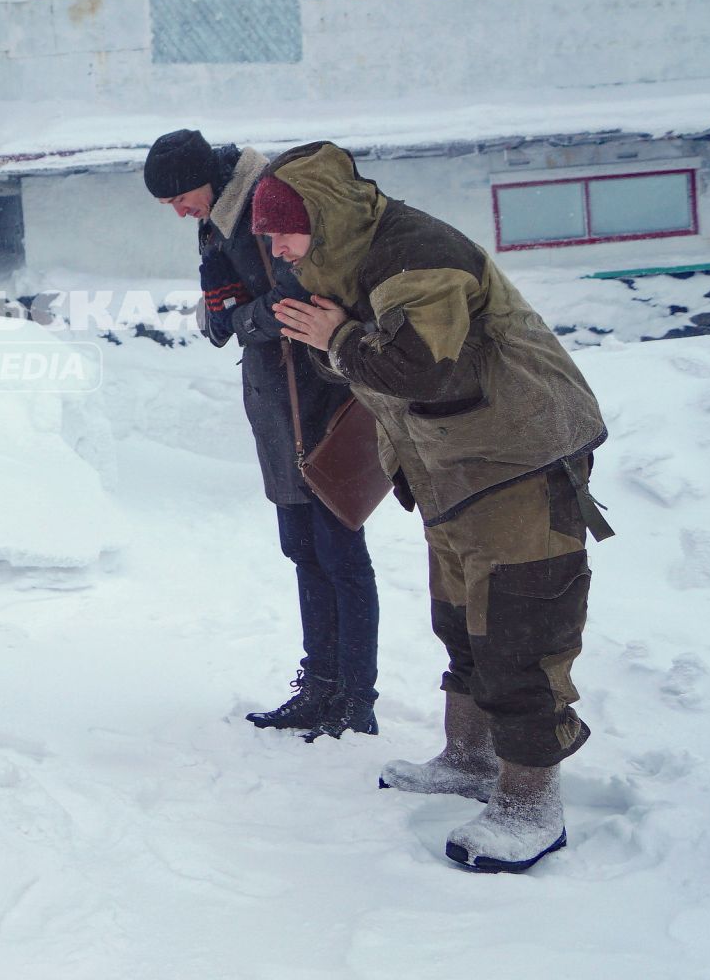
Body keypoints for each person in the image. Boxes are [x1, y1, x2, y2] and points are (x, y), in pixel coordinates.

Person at [254, 142, 611, 874]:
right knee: (464, 627)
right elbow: (373, 363)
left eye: (284, 231)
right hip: (454, 471)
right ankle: (469, 760)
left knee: (521, 636)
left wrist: (340, 338)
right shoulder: (354, 261)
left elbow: (427, 372)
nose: (277, 248)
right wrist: (339, 339)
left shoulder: (416, 256)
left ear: (321, 219)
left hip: (519, 460)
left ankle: (529, 806)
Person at [143, 129, 381, 740]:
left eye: (179, 196)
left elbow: (296, 296)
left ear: (207, 176)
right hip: (279, 406)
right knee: (303, 549)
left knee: (339, 553)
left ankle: (355, 698)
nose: (177, 210)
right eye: (165, 204)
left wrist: (240, 319)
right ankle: (320, 685)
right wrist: (235, 316)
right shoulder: (218, 220)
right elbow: (234, 312)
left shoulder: (266, 202)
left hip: (318, 399)